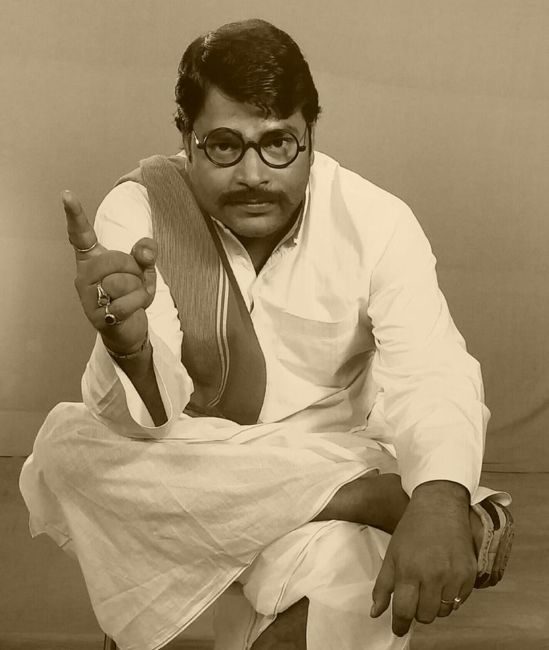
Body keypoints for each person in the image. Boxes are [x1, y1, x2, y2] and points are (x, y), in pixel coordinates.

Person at [20, 18, 513, 650]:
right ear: (186, 138)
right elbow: (148, 422)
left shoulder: (377, 222)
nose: (254, 172)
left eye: (279, 143)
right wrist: (129, 345)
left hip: (298, 452)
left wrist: (440, 500)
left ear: (311, 135)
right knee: (67, 449)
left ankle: (366, 499)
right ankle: (364, 495)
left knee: (342, 594)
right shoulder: (141, 210)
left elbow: (432, 368)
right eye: (225, 145)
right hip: (189, 456)